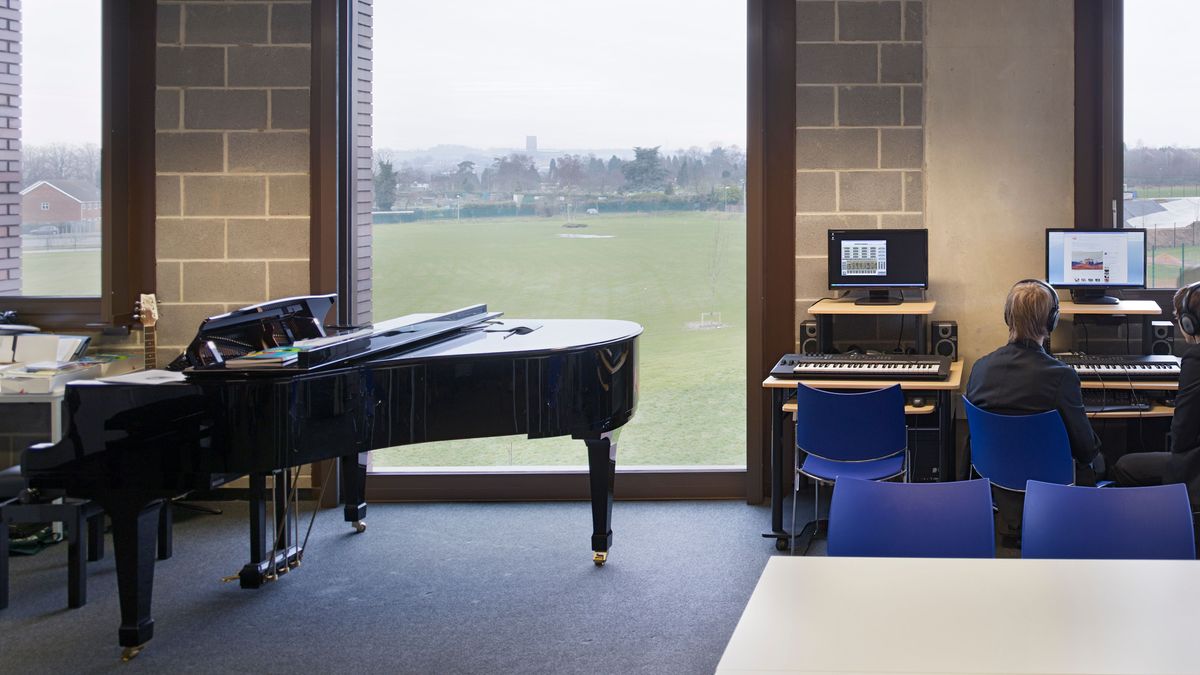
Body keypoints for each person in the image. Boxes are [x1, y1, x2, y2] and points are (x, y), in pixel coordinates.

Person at [966, 279, 1104, 485]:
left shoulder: (979, 368)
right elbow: (1086, 451)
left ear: (1007, 317)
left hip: (994, 485)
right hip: (1049, 489)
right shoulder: (1062, 377)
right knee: (1101, 461)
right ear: (1052, 320)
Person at [1110, 282, 1200, 506]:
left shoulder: (1195, 360)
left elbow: (1181, 437)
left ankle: (1153, 528)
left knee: (1124, 466)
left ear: (1188, 323)